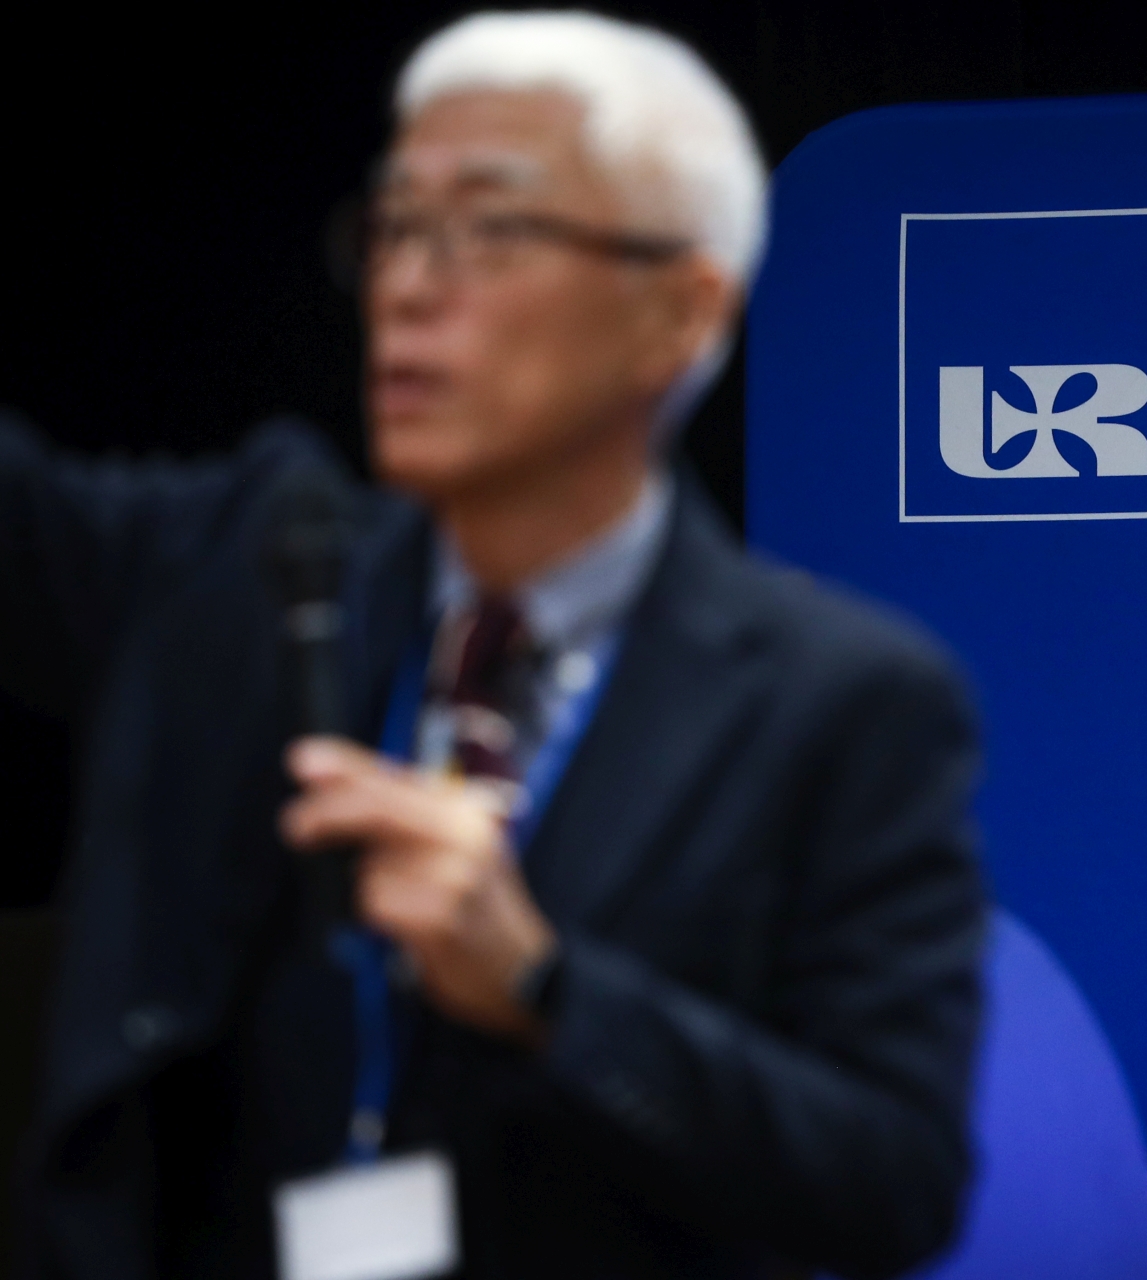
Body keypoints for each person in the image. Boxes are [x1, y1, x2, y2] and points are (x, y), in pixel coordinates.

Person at [0, 12, 985, 1279]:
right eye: (398, 227)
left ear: (679, 314)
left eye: (490, 230)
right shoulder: (243, 573)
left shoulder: (839, 701)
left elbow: (892, 1180)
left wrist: (547, 988)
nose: (411, 287)